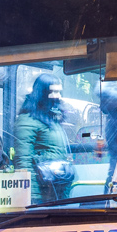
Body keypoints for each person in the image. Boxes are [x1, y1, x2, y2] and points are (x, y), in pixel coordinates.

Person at [14, 73, 73, 204]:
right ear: (42, 93)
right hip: (41, 192)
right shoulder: (27, 120)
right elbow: (23, 161)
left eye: (59, 92)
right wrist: (32, 197)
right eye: (53, 92)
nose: (58, 96)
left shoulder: (51, 118)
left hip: (55, 187)